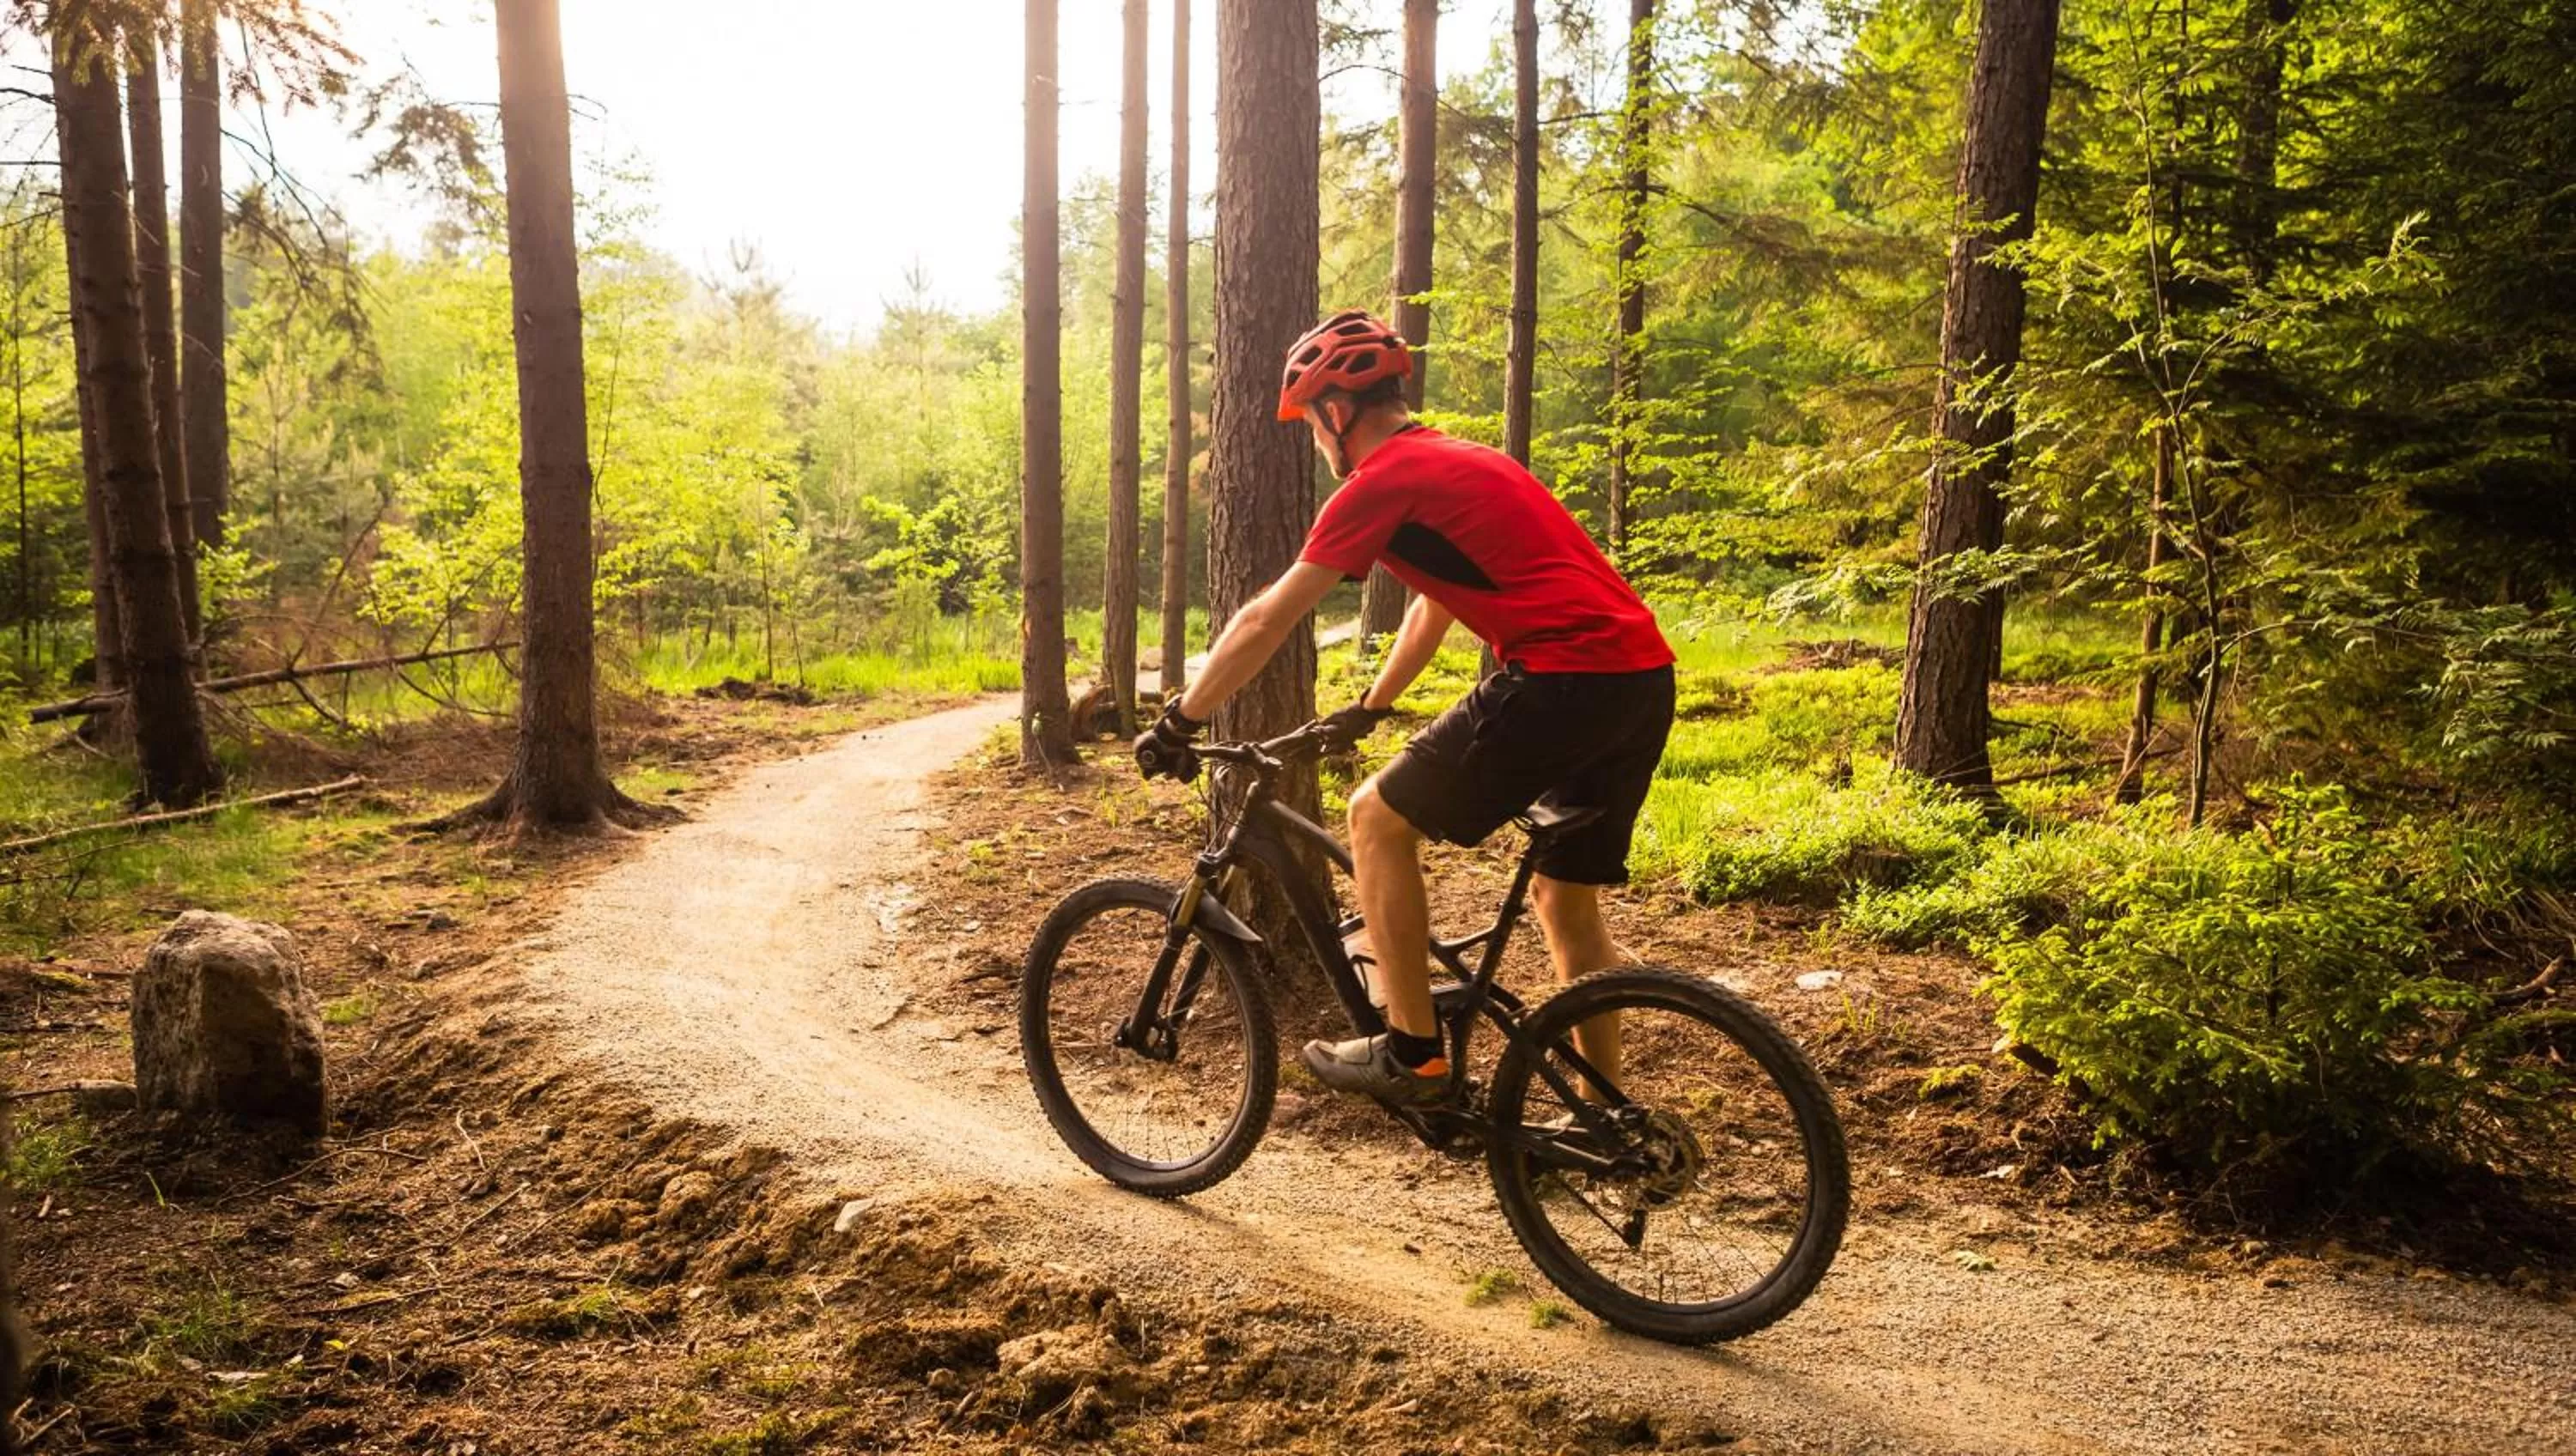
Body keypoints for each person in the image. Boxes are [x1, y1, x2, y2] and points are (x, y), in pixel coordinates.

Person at [1133, 309, 1677, 1106]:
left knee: (1376, 820)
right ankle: (1605, 1115)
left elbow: (1267, 618)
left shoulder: (1381, 481)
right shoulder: (1464, 462)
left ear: (1335, 411)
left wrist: (1182, 718)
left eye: (1313, 424)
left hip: (1560, 677)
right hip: (1640, 681)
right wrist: (1372, 704)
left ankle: (1414, 1054)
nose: (1318, 443)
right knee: (1564, 897)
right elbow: (1438, 602)